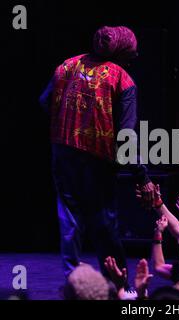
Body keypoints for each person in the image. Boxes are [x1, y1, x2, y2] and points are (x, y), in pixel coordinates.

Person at [39, 26, 154, 278]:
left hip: (63, 149)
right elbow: (126, 135)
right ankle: (119, 283)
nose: (134, 57)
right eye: (132, 52)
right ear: (123, 51)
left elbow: (44, 101)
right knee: (104, 222)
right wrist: (141, 175)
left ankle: (72, 277)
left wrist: (70, 121)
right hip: (97, 158)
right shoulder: (122, 78)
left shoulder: (67, 66)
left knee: (69, 215)